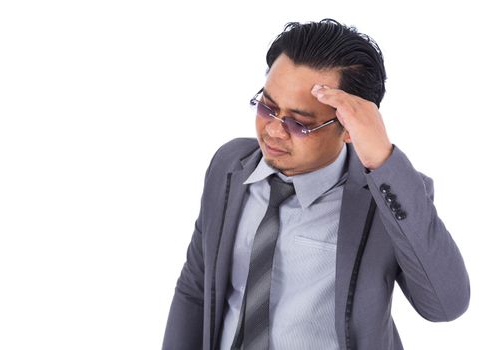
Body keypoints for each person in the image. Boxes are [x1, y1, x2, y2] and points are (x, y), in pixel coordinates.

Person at [162, 19, 470, 350]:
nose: (275, 131)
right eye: (268, 106)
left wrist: (382, 159)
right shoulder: (229, 166)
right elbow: (197, 287)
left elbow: (446, 305)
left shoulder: (384, 196)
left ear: (350, 127)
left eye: (299, 123)